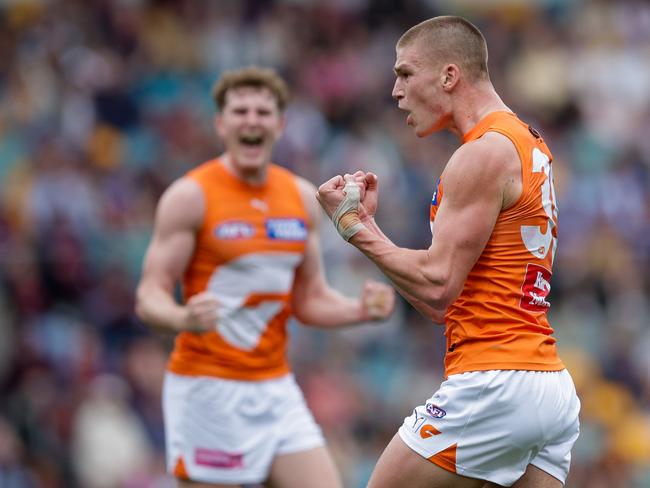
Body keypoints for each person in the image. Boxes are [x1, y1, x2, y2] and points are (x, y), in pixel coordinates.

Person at [316, 16, 580, 488]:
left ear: (449, 76)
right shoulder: (525, 142)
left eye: (404, 74)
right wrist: (370, 226)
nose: (395, 91)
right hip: (547, 386)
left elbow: (437, 286)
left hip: (496, 378)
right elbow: (443, 304)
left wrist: (351, 226)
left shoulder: (483, 152)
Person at [135, 66, 395, 488]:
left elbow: (308, 300)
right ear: (221, 123)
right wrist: (183, 318)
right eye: (240, 111)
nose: (251, 120)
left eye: (262, 111)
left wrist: (359, 310)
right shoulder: (190, 197)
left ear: (280, 124)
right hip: (208, 391)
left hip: (275, 389)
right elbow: (149, 296)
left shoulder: (299, 197)